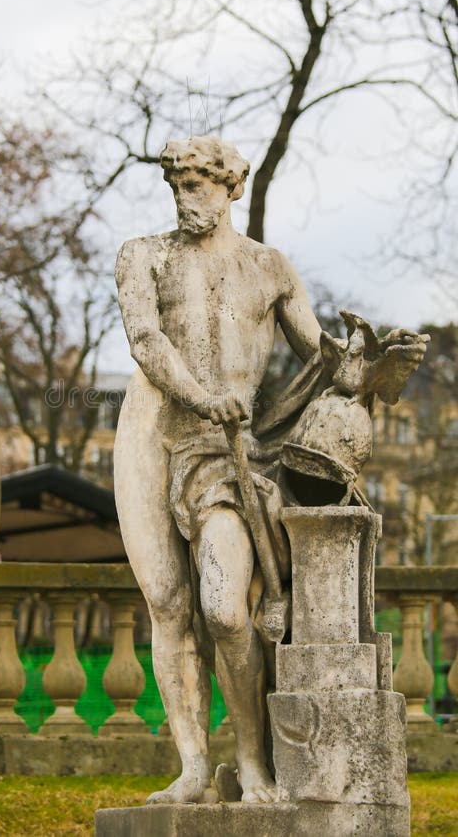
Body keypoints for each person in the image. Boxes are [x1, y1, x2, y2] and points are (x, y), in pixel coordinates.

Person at [113, 135, 425, 805]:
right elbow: (146, 341)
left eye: (198, 184)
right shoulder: (145, 257)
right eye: (176, 184)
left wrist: (380, 364)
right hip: (160, 434)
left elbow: (328, 360)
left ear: (234, 186)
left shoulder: (270, 269)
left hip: (235, 454)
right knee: (168, 606)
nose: (184, 196)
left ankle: (253, 763)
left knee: (225, 611)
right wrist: (201, 395)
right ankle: (196, 767)